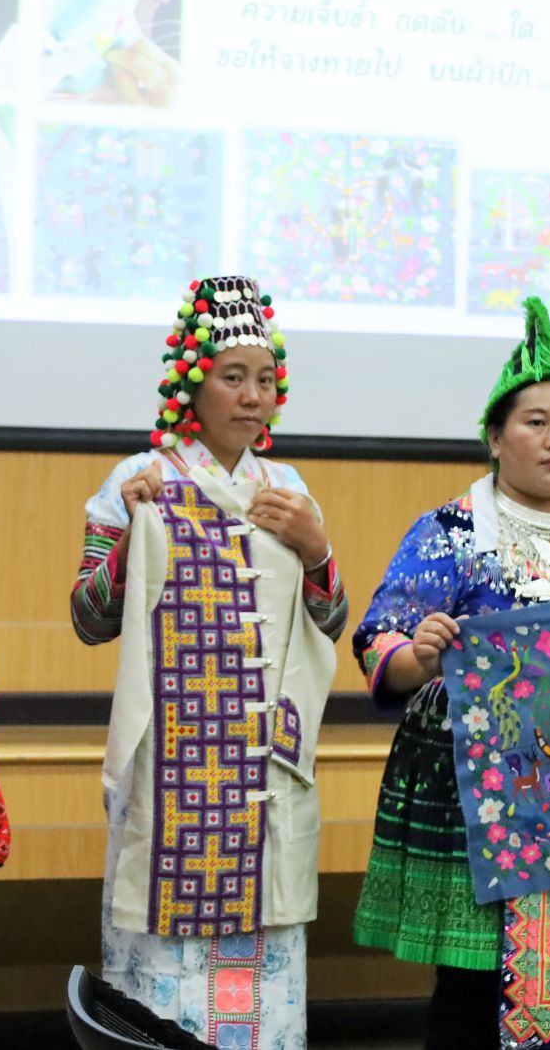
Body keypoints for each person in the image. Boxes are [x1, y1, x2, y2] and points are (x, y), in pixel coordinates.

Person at [352, 297, 550, 1049]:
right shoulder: (454, 533)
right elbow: (378, 637)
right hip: (481, 803)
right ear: (495, 436)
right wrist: (419, 654)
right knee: (476, 988)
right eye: (535, 422)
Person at [72, 276, 346, 1050]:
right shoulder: (139, 479)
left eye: (265, 379)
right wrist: (133, 531)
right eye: (233, 377)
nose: (253, 396)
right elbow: (88, 617)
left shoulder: (287, 489)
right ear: (191, 385)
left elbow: (330, 620)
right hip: (173, 780)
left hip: (265, 773)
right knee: (166, 1000)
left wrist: (316, 549)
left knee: (265, 1001)